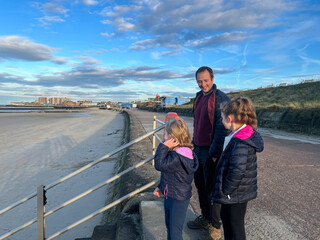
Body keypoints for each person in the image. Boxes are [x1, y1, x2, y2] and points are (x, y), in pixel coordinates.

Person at [213, 96, 264, 240]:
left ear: (230, 118)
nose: (221, 122)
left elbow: (237, 170)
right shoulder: (239, 135)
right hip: (236, 191)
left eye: (222, 118)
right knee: (227, 219)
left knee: (236, 226)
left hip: (236, 193)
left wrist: (226, 190)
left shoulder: (240, 141)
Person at [187, 66, 230, 240]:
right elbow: (198, 124)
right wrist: (193, 143)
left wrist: (214, 153)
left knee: (213, 189)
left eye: (205, 80)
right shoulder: (198, 97)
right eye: (199, 81)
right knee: (200, 186)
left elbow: (222, 129)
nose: (202, 84)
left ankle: (215, 226)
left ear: (212, 79)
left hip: (211, 152)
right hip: (197, 149)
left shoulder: (221, 99)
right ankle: (205, 218)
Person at [153, 119, 199, 240]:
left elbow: (159, 165)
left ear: (173, 138)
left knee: (175, 232)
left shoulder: (178, 156)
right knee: (170, 227)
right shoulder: (178, 153)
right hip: (172, 195)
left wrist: (163, 146)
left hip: (177, 199)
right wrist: (161, 186)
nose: (163, 136)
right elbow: (169, 174)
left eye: (166, 134)